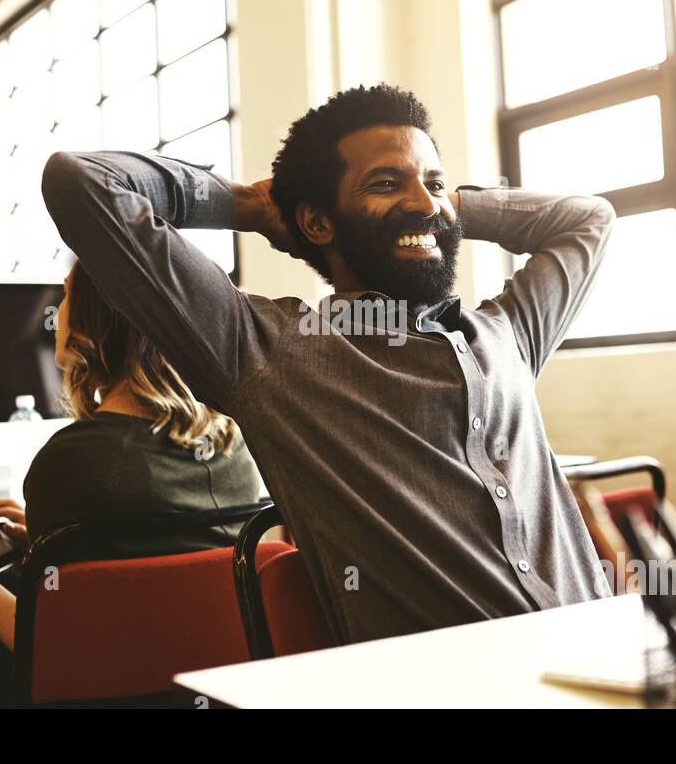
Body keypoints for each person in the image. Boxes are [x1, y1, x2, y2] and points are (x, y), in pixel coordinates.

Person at [40, 83, 616, 646]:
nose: (422, 198)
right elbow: (80, 181)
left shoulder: (507, 332)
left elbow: (589, 220)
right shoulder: (269, 352)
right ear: (317, 223)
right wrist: (250, 207)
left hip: (610, 658)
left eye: (433, 181)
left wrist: (441, 206)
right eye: (385, 183)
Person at [0, 262, 262, 699]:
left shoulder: (73, 459)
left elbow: (47, 646)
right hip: (212, 686)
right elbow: (162, 572)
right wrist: (47, 542)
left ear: (95, 323)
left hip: (103, 689)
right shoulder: (234, 442)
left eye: (66, 296)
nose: (56, 311)